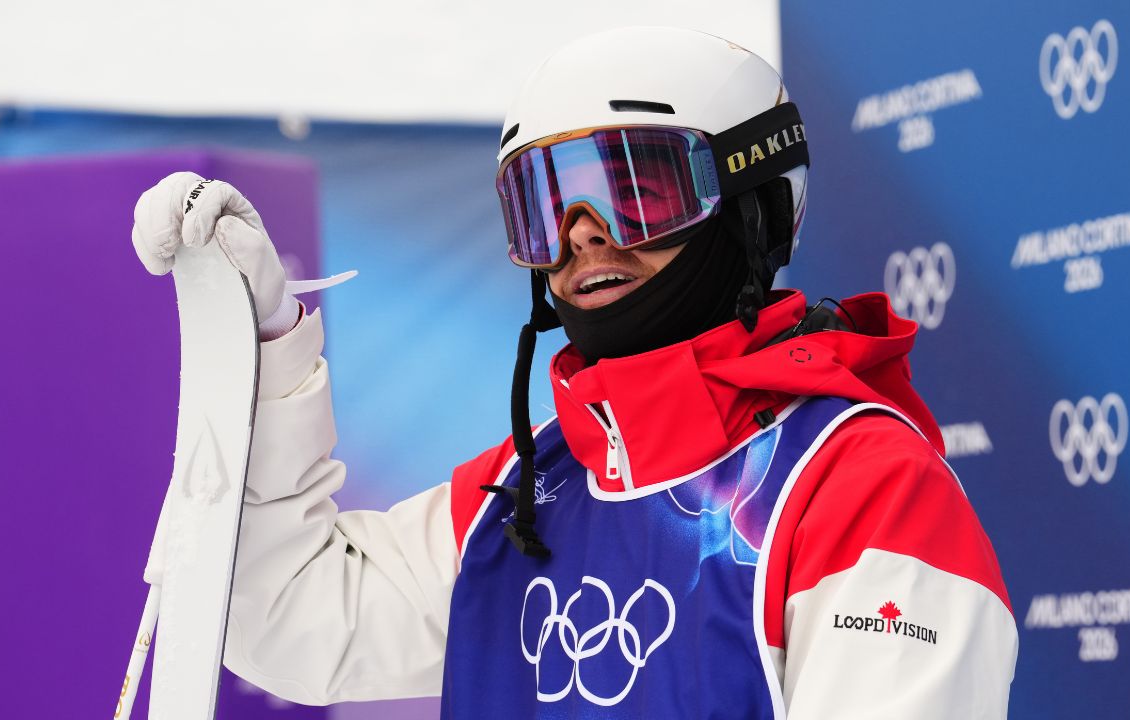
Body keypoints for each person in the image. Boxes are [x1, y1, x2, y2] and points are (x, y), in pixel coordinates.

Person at [132, 26, 1017, 719]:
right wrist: (264, 348)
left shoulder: (866, 492)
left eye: (637, 191)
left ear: (753, 211)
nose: (585, 233)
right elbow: (286, 620)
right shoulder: (529, 494)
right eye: (547, 204)